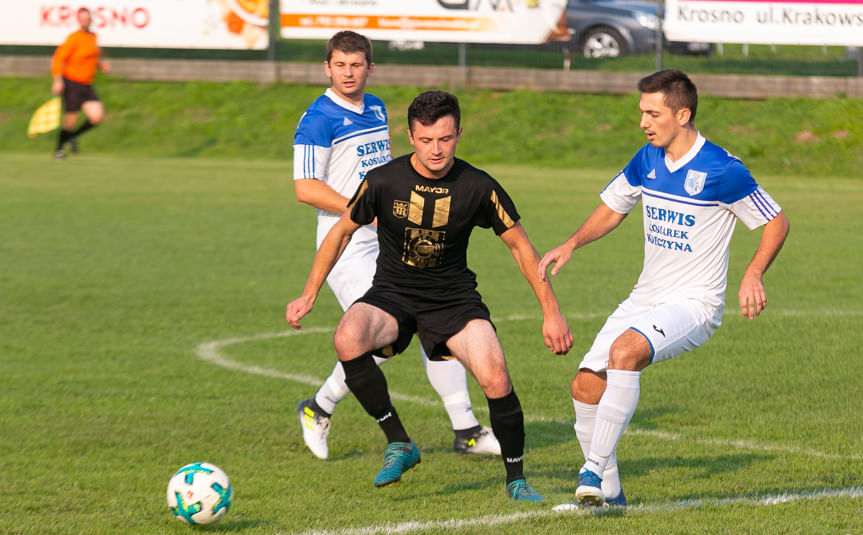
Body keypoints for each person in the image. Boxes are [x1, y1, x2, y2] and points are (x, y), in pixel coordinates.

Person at [286, 90, 573, 500]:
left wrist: (552, 313)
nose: (435, 150)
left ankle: (516, 481)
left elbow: (521, 247)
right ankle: (399, 442)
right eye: (425, 140)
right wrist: (309, 292)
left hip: (454, 301)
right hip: (392, 294)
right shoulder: (384, 180)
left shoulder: (478, 186)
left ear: (458, 133)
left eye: (445, 139)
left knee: (495, 375)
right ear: (410, 136)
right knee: (347, 336)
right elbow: (341, 231)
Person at [539, 69, 790, 508]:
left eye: (652, 114)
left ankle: (593, 469)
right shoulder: (647, 158)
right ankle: (611, 493)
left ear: (683, 114)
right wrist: (572, 243)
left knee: (625, 352)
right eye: (642, 113)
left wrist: (753, 273)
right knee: (584, 386)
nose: (644, 122)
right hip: (646, 296)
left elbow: (776, 221)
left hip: (695, 303)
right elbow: (613, 208)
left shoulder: (722, 169)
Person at [291, 31, 500, 461]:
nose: (349, 73)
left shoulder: (376, 107)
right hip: (347, 243)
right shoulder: (318, 118)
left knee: (434, 324)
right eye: (340, 65)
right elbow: (305, 188)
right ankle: (319, 407)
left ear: (371, 67)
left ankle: (466, 431)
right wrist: (364, 208)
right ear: (327, 68)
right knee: (394, 331)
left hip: (389, 238)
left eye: (356, 65)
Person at [50, 7, 110, 159]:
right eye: (82, 18)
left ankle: (72, 136)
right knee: (71, 120)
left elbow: (93, 56)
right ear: (78, 20)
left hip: (86, 85)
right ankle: (58, 150)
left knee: (97, 116)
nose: (85, 21)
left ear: (90, 20)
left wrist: (100, 65)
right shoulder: (74, 38)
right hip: (72, 83)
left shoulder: (93, 37)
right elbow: (59, 58)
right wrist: (57, 80)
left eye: (87, 18)